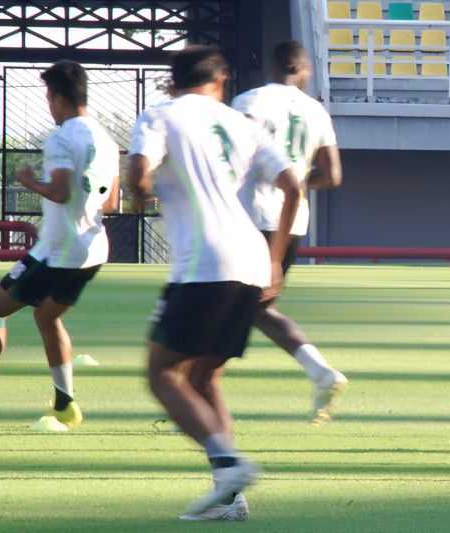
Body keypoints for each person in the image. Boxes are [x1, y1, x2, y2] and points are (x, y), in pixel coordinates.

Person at [127, 46, 299, 521]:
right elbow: (294, 186)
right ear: (220, 79)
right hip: (251, 258)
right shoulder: (243, 124)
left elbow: (139, 174)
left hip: (204, 262)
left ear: (171, 82)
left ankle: (228, 465)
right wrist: (277, 259)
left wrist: (141, 193)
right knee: (203, 375)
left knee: (162, 373)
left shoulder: (160, 115)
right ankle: (230, 499)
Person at [0, 60, 120, 429]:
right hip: (92, 249)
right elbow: (111, 203)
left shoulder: (61, 137)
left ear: (57, 97)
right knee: (46, 317)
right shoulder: (107, 139)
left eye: (48, 98)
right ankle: (65, 403)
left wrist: (30, 181)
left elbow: (61, 191)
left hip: (57, 250)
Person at [232, 41, 347, 424]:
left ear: (274, 64)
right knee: (255, 308)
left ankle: (191, 390)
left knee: (224, 303)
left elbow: (232, 157)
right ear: (303, 68)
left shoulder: (249, 101)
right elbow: (332, 176)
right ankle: (319, 371)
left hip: (250, 215)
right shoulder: (316, 111)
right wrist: (297, 180)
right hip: (293, 220)